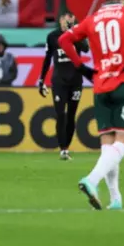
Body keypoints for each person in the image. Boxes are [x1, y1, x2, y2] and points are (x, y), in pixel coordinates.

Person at [58, 0, 124, 211]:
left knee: (108, 144)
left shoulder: (92, 19)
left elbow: (64, 39)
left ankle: (115, 199)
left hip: (100, 85)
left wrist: (81, 67)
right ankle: (91, 180)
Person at [37, 12, 90, 160]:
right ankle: (62, 149)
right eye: (67, 20)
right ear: (61, 20)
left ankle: (66, 148)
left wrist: (73, 33)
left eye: (72, 21)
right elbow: (47, 59)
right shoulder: (52, 36)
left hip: (76, 81)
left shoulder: (77, 34)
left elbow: (85, 48)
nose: (69, 23)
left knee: (71, 114)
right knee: (61, 114)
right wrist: (42, 80)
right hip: (59, 81)